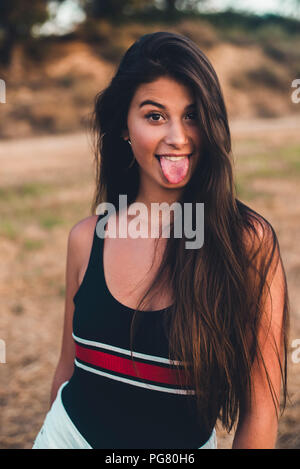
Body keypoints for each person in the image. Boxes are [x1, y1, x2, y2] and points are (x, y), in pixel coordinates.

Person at [32, 31, 289, 449]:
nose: (178, 137)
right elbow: (68, 368)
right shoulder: (86, 238)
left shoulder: (247, 243)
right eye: (155, 116)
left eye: (192, 115)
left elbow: (260, 409)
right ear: (124, 128)